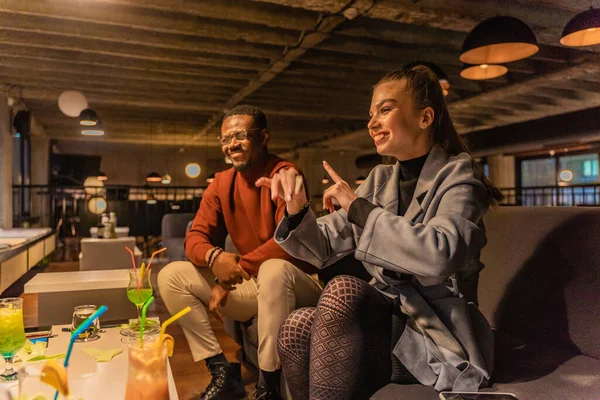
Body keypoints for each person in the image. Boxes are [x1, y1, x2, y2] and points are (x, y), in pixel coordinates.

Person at [257, 65, 503, 399]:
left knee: (344, 289)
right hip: (389, 324)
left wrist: (358, 207)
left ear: (425, 117)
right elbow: (322, 247)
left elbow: (439, 255)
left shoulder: (460, 175)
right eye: (371, 114)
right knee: (296, 326)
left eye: (385, 110)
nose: (372, 123)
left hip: (436, 334)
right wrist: (297, 208)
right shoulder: (381, 179)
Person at [158, 105, 323, 400]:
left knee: (273, 268)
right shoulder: (222, 182)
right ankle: (222, 372)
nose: (232, 143)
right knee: (171, 275)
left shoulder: (286, 175)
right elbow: (195, 237)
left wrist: (229, 276)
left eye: (241, 135)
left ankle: (267, 387)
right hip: (255, 286)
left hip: (299, 281)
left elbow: (288, 244)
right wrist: (214, 258)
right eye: (225, 138)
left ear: (264, 137)